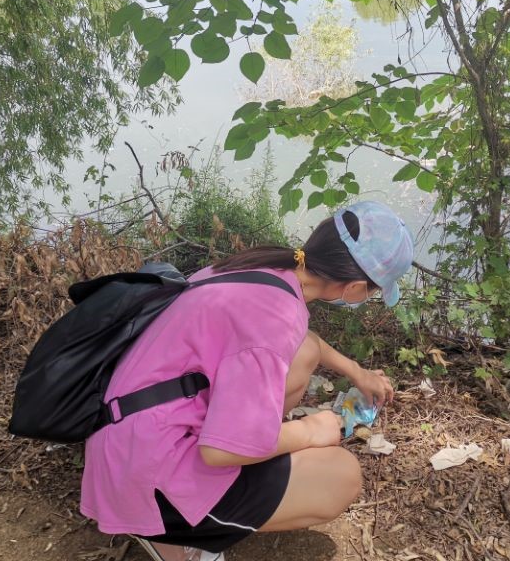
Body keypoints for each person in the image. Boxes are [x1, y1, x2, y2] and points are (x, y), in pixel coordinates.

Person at [80, 200, 415, 561]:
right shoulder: (275, 321)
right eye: (373, 292)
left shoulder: (267, 268)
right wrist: (310, 430)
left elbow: (306, 344)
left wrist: (357, 372)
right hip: (146, 477)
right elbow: (219, 452)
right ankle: (174, 538)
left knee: (302, 354)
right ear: (354, 288)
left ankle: (233, 467)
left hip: (125, 433)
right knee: (342, 476)